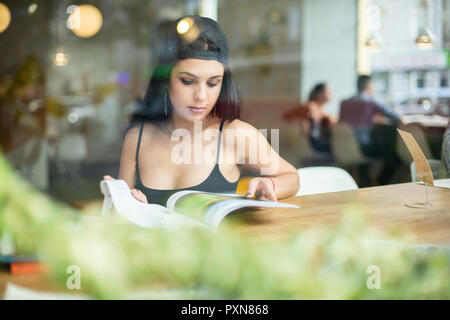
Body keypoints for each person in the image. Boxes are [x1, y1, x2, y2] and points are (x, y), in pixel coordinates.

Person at [103, 15, 299, 205]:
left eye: (213, 83)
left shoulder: (236, 134)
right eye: (188, 81)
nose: (201, 96)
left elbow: (291, 177)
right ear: (165, 80)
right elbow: (120, 220)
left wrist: (271, 184)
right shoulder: (137, 139)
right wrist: (131, 207)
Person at [339, 75, 402, 185]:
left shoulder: (344, 103)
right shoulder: (371, 102)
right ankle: (382, 184)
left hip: (343, 147)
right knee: (394, 153)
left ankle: (365, 179)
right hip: (363, 147)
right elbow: (395, 117)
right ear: (369, 85)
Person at [283, 83, 337, 153]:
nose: (330, 94)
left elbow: (330, 119)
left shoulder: (320, 109)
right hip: (314, 145)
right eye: (327, 91)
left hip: (318, 143)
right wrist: (302, 121)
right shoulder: (310, 106)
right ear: (319, 94)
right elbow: (287, 116)